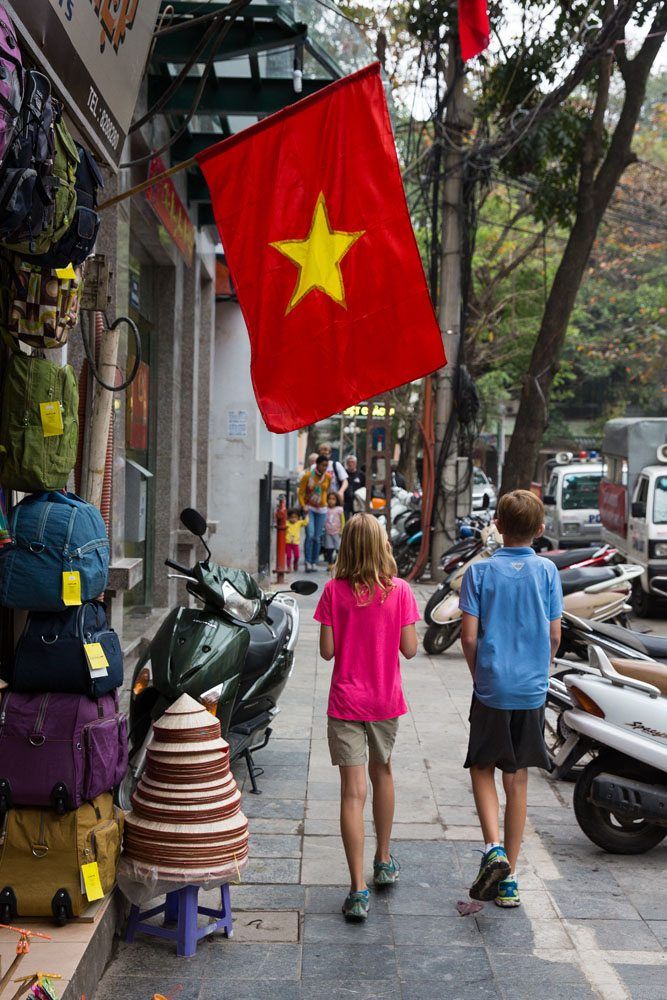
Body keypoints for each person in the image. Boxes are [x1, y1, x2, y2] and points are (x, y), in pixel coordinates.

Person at [459, 490, 563, 909]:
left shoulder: (478, 573)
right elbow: (555, 635)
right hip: (531, 690)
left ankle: (493, 849)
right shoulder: (548, 572)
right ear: (540, 530)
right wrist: (539, 670)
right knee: (517, 779)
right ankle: (510, 881)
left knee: (482, 767)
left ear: (497, 526)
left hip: (492, 687)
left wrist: (480, 675)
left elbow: (468, 637)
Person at [314, 514, 419, 922]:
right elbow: (409, 649)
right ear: (383, 546)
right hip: (384, 702)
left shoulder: (333, 592)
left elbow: (327, 652)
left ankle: (357, 890)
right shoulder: (402, 592)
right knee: (384, 775)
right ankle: (383, 858)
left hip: (345, 702)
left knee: (351, 794)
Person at [298, 455, 332, 571]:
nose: (324, 468)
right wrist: (303, 506)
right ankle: (307, 561)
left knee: (317, 537)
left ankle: (314, 562)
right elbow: (300, 493)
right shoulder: (307, 476)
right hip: (310, 508)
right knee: (310, 535)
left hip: (322, 510)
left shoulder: (328, 477)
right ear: (317, 464)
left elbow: (327, 491)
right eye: (323, 465)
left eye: (326, 466)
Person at [322, 491, 344, 570]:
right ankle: (330, 563)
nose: (331, 501)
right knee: (329, 548)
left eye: (333, 499)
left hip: (337, 532)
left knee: (338, 548)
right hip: (328, 532)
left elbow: (342, 520)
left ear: (337, 500)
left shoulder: (339, 509)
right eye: (329, 499)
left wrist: (342, 530)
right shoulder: (325, 509)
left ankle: (339, 563)